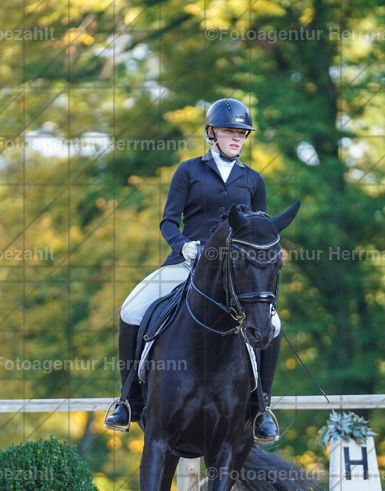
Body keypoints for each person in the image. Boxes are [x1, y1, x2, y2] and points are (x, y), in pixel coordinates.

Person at [104, 97, 282, 441]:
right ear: (211, 133)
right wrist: (182, 245)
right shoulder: (189, 171)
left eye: (242, 133)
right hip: (187, 264)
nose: (237, 138)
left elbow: (260, 227)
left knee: (273, 324)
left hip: (232, 274)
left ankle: (261, 407)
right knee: (130, 311)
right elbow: (168, 221)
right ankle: (128, 401)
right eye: (230, 132)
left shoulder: (253, 180)